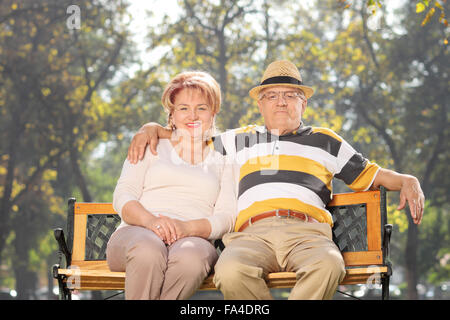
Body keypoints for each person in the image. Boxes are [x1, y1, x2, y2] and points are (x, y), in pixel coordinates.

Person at [126, 60, 425, 300]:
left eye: (290, 95)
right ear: (261, 105)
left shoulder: (325, 141)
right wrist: (150, 128)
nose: (280, 102)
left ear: (303, 104)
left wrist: (407, 180)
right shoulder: (240, 140)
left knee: (329, 265)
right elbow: (190, 132)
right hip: (251, 235)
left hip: (308, 233)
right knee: (229, 271)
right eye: (272, 96)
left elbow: (372, 175)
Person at [106, 71, 237, 300]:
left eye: (202, 108)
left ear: (214, 111)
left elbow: (226, 217)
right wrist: (152, 222)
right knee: (148, 250)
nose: (192, 115)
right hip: (136, 233)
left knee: (190, 259)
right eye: (184, 108)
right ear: (172, 113)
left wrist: (186, 228)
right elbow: (124, 195)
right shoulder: (150, 143)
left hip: (193, 239)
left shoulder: (225, 157)